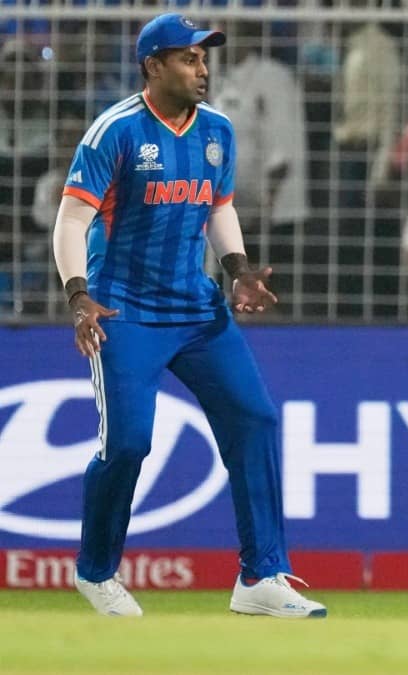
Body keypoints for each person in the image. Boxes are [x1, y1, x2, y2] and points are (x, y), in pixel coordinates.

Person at [50, 13, 325, 619]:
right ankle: (96, 573)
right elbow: (71, 220)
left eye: (204, 58)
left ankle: (260, 576)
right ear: (153, 65)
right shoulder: (115, 133)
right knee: (127, 444)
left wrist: (238, 268)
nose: (202, 68)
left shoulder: (219, 131)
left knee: (254, 419)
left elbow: (218, 208)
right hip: (122, 311)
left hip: (197, 310)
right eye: (187, 58)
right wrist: (78, 297)